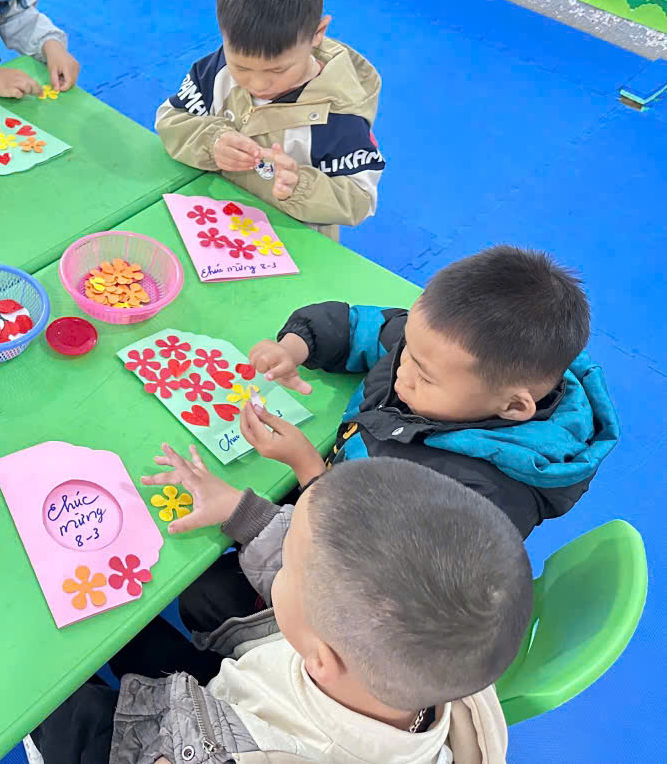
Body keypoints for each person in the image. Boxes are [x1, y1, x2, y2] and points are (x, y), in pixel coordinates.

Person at [177, 245, 619, 639]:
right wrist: (298, 345)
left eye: (424, 376)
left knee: (204, 596)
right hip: (334, 487)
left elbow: (363, 571)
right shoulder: (445, 353)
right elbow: (368, 327)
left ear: (514, 407)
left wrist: (308, 470)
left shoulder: (482, 498)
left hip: (359, 600)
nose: (402, 371)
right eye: (407, 350)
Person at [26, 453, 531, 764]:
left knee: (59, 709)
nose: (283, 563)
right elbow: (336, 564)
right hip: (235, 698)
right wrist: (242, 513)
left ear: (320, 658)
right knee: (162, 625)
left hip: (197, 742)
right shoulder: (445, 652)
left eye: (288, 563)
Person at [156, 0, 383, 241]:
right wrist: (211, 142)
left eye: (277, 70)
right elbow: (171, 120)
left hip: (290, 242)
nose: (258, 84)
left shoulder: (340, 117)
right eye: (242, 67)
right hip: (213, 224)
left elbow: (360, 199)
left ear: (317, 34)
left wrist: (300, 186)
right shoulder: (218, 70)